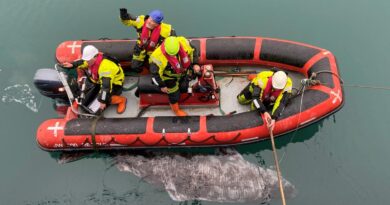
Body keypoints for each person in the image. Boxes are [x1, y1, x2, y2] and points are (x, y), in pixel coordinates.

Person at [62, 45, 127, 114]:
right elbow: (83, 62)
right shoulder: (93, 60)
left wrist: (103, 101)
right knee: (91, 91)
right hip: (99, 80)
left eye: (88, 60)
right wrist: (73, 65)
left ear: (95, 57)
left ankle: (122, 100)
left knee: (106, 97)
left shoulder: (106, 67)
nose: (87, 62)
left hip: (115, 83)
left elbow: (106, 86)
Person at [149, 36, 200, 116]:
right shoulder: (157, 57)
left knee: (184, 86)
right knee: (174, 94)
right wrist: (162, 86)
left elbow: (193, 50)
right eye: (171, 54)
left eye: (175, 53)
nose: (173, 56)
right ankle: (176, 110)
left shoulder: (183, 41)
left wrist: (195, 64)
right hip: (168, 78)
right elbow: (155, 74)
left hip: (182, 71)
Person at [119, 8, 176, 73]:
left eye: (153, 22)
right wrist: (123, 16)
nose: (150, 22)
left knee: (154, 70)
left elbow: (174, 41)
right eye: (150, 19)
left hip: (154, 52)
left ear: (158, 24)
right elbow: (127, 22)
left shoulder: (166, 30)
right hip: (141, 49)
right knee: (135, 67)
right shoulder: (141, 21)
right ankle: (141, 71)